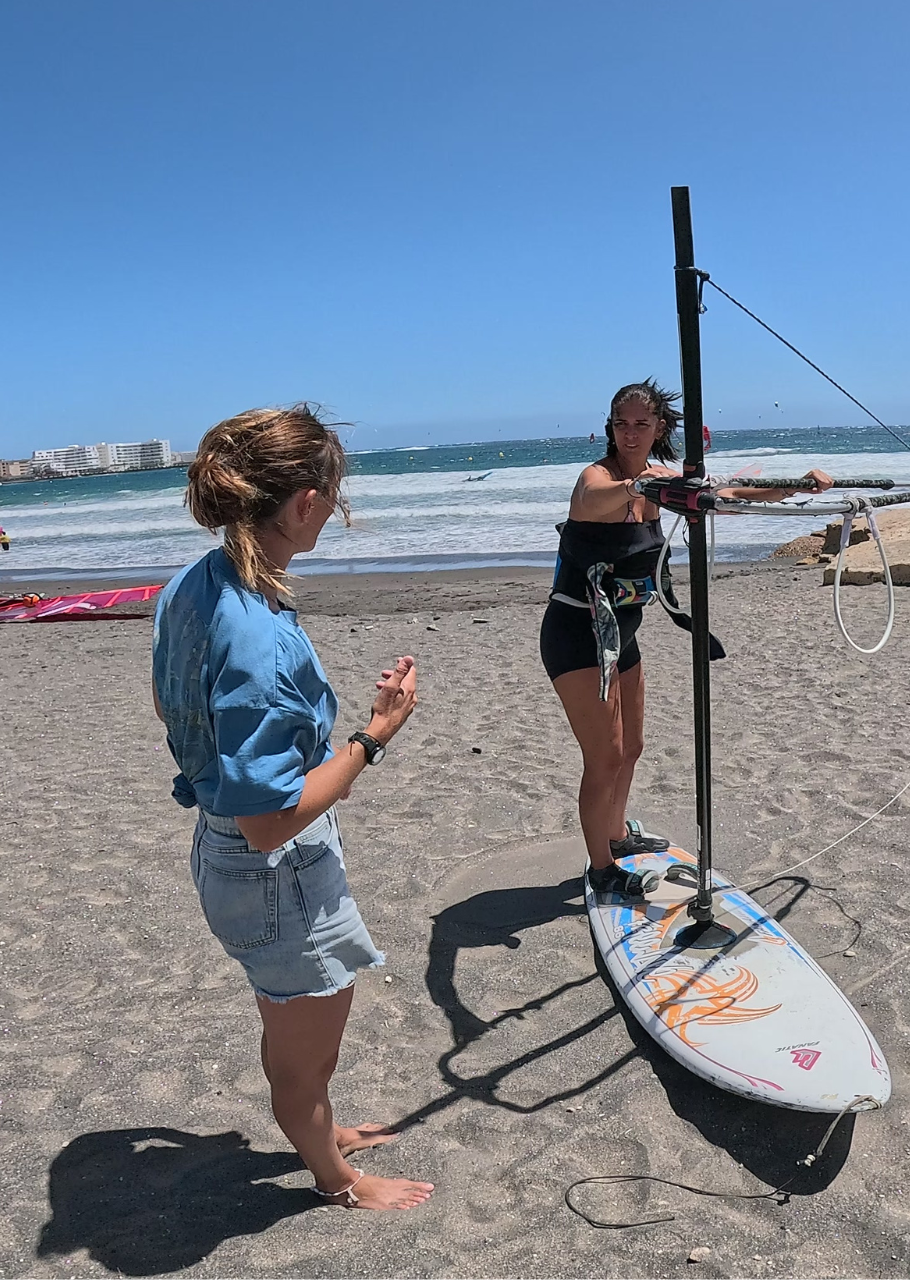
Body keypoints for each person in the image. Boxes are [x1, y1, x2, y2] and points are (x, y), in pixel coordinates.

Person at [152, 404, 434, 1212]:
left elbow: (181, 709)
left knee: (290, 1028)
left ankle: (322, 1129)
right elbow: (269, 821)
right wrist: (374, 736)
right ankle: (336, 1178)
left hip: (227, 855)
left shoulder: (197, 582)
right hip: (272, 870)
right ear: (305, 502)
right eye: (334, 498)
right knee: (304, 1057)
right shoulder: (258, 638)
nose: (336, 512)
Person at [540, 379, 831, 896]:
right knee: (604, 756)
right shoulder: (599, 478)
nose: (630, 434)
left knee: (632, 746)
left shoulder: (660, 482)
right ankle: (602, 869)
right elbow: (593, 499)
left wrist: (795, 486)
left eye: (641, 424)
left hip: (622, 635)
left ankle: (616, 834)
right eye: (621, 423)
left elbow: (727, 496)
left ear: (659, 428)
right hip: (576, 635)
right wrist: (637, 487)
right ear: (610, 428)